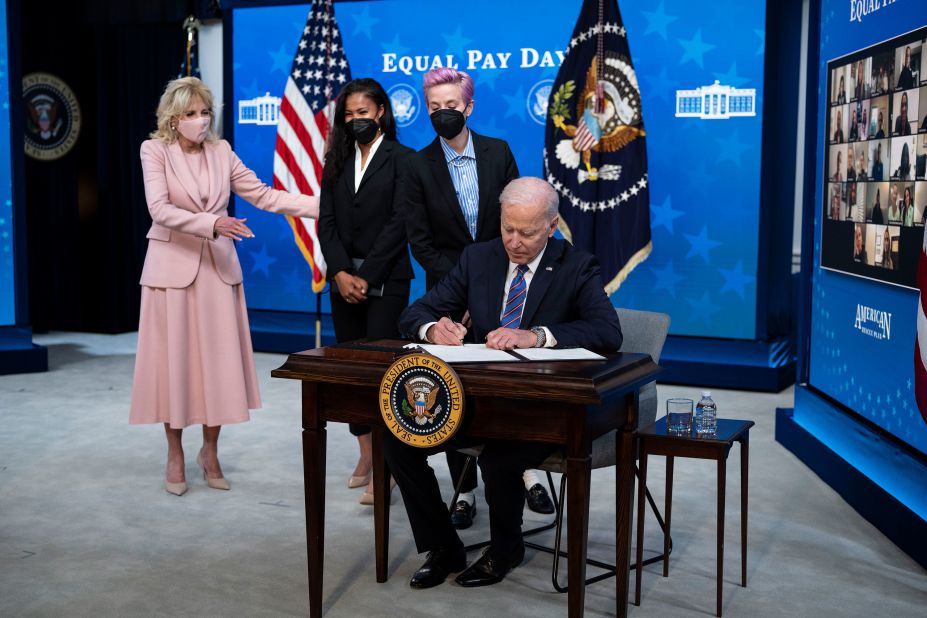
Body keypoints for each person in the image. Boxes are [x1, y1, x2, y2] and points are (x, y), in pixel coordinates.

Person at [387, 177, 623, 590]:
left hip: (540, 410)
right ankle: (443, 546)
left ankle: (505, 549)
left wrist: (537, 336)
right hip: (479, 402)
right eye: (507, 228)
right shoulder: (479, 259)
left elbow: (607, 331)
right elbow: (416, 311)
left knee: (499, 456)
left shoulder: (575, 265)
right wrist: (431, 329)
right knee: (398, 441)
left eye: (527, 232)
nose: (514, 241)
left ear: (551, 227)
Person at [129, 77, 319, 495]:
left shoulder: (221, 151)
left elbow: (265, 196)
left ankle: (210, 451)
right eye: (191, 114)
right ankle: (176, 453)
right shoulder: (154, 150)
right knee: (173, 364)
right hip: (170, 272)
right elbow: (159, 209)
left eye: (205, 112)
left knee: (216, 366)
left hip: (217, 272)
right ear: (173, 119)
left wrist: (326, 206)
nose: (201, 120)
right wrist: (213, 223)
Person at [402, 67, 553, 526]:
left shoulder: (498, 152)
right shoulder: (417, 165)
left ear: (468, 107)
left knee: (507, 379)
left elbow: (514, 220)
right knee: (454, 389)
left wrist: (485, 278)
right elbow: (420, 239)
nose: (442, 114)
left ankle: (525, 471)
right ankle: (464, 491)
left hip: (504, 283)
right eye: (434, 108)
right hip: (447, 289)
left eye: (451, 106)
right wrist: (462, 283)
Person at [316, 78, 414, 505]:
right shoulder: (335, 159)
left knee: (384, 376)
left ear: (382, 114)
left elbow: (401, 222)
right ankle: (365, 456)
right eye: (349, 114)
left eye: (363, 112)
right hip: (341, 281)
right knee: (354, 375)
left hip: (387, 280)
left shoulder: (403, 159)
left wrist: (366, 275)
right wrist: (339, 272)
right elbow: (326, 221)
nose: (356, 120)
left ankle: (389, 466)